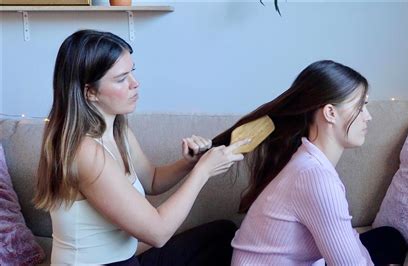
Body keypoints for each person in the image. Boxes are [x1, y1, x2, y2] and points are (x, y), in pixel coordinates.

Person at [33, 29, 249, 265]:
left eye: (132, 72)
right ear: (90, 92)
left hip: (126, 258)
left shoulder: (118, 130)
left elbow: (152, 180)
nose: (135, 84)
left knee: (222, 234)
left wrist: (190, 163)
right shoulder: (85, 152)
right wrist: (203, 172)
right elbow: (158, 233)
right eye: (121, 78)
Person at [213, 60, 407, 265]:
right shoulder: (315, 177)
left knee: (389, 239)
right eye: (360, 107)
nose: (368, 116)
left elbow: (346, 236)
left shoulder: (306, 160)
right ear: (330, 113)